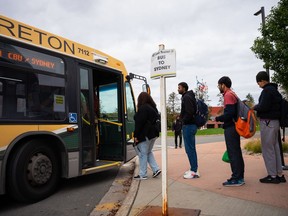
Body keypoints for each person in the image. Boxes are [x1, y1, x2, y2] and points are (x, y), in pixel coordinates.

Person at [253, 71, 286, 184]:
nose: (258, 85)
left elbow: (264, 106)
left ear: (262, 80)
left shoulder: (267, 91)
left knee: (268, 149)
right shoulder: (275, 91)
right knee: (275, 148)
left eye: (258, 82)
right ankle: (279, 174)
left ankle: (272, 175)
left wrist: (255, 107)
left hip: (268, 122)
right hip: (275, 122)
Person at [215, 76, 245, 186]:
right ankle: (240, 176)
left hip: (231, 128)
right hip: (235, 126)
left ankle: (236, 178)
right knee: (236, 152)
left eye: (219, 85)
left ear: (223, 84)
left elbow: (229, 114)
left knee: (233, 153)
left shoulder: (228, 95)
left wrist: (218, 118)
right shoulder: (233, 94)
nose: (218, 87)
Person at [133, 92, 161, 180]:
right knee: (148, 152)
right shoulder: (153, 108)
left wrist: (136, 135)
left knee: (142, 154)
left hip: (145, 134)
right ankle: (156, 169)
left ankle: (142, 174)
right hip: (153, 134)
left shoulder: (143, 108)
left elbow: (139, 123)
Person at [178, 82, 200, 179]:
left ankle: (194, 171)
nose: (178, 89)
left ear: (184, 88)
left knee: (189, 149)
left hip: (189, 125)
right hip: (191, 125)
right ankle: (194, 169)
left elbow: (189, 112)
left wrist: (183, 120)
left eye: (179, 88)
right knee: (191, 149)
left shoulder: (186, 97)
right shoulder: (189, 96)